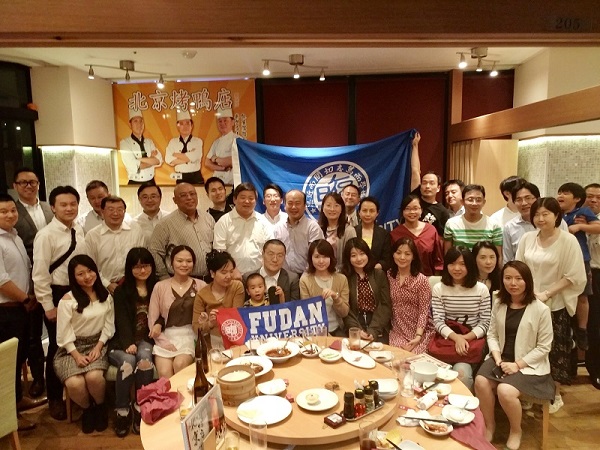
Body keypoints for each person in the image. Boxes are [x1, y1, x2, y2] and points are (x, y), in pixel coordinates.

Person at [515, 197, 586, 413]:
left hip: (554, 304)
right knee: (527, 348)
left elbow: (573, 275)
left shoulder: (568, 241)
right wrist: (526, 293)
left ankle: (554, 394)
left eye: (546, 214)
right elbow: (519, 268)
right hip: (528, 302)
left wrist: (546, 294)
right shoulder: (527, 238)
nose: (540, 218)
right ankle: (528, 392)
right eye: (537, 214)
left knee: (554, 351)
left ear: (557, 216)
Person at [475, 261, 555, 450]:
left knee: (505, 391)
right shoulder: (499, 302)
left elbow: (544, 347)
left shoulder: (541, 309)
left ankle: (516, 430)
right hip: (501, 358)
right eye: (508, 278)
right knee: (480, 381)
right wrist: (497, 357)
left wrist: (517, 364)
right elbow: (492, 334)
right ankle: (490, 425)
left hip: (529, 364)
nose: (513, 283)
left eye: (519, 278)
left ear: (527, 281)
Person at [32, 185, 86, 420]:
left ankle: (79, 393)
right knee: (57, 346)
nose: (69, 208)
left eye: (73, 204)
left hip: (79, 292)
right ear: (53, 207)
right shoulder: (46, 235)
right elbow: (40, 274)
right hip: (57, 294)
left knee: (78, 341)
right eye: (63, 204)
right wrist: (48, 306)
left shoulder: (79, 229)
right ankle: (55, 398)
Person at [54, 255, 115, 434]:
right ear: (73, 277)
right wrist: (76, 355)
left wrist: (99, 346)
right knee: (74, 383)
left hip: (98, 343)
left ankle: (100, 406)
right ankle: (88, 409)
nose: (87, 276)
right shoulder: (67, 300)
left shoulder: (106, 296)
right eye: (80, 274)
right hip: (71, 347)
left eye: (90, 271)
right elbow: (63, 333)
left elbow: (109, 325)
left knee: (94, 377)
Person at [12, 167, 53, 398]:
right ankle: (38, 379)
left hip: (54, 279)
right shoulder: (12, 211)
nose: (29, 186)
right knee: (33, 335)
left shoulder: (49, 208)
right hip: (27, 283)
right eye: (23, 182)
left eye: (33, 182)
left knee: (54, 334)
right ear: (15, 186)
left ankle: (53, 376)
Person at [108, 247, 158, 437]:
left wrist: (159, 325)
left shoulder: (157, 287)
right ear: (129, 269)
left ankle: (140, 406)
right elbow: (121, 319)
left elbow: (163, 313)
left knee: (144, 359)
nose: (142, 270)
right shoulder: (122, 291)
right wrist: (128, 343)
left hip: (146, 339)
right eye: (136, 267)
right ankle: (122, 410)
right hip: (121, 341)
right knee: (128, 362)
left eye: (145, 265)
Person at [0, 193, 38, 431]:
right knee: (6, 363)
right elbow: (1, 280)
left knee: (17, 358)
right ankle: (9, 415)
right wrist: (25, 298)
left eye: (12, 210)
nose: (10, 215)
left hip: (19, 309)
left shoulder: (14, 236)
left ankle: (16, 400)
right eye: (3, 211)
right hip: (5, 310)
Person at [431, 246, 491, 390]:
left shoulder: (481, 289)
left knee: (462, 375)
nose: (457, 268)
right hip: (445, 342)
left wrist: (465, 338)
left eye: (462, 264)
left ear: (470, 265)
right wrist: (457, 338)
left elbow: (485, 322)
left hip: (469, 344)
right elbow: (438, 321)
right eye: (452, 263)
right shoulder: (439, 288)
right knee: (435, 377)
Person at [148, 245, 206, 378]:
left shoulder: (201, 286)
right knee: (164, 372)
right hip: (165, 336)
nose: (184, 265)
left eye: (189, 261)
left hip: (190, 335)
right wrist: (164, 342)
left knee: (180, 364)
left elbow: (207, 313)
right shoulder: (160, 287)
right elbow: (152, 320)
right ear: (171, 262)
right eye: (179, 261)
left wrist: (205, 318)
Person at [557, 182, 600, 351]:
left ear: (577, 199)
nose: (560, 195)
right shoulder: (556, 213)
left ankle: (582, 330)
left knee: (583, 296)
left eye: (565, 193)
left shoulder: (583, 212)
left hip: (582, 260)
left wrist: (580, 226)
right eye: (560, 192)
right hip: (561, 260)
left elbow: (598, 227)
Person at [149, 182, 214, 280]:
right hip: (179, 280)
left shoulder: (208, 218)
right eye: (183, 195)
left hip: (209, 279)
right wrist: (164, 276)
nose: (189, 198)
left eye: (192, 194)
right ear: (175, 200)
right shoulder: (165, 224)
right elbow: (155, 252)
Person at [84, 196, 145, 294]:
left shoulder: (135, 230)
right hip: (103, 288)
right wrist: (107, 284)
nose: (115, 213)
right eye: (111, 209)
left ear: (124, 212)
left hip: (133, 285)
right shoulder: (92, 236)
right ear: (102, 212)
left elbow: (141, 259)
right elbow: (89, 266)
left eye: (120, 209)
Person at [213, 182, 274, 277]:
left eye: (251, 198)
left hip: (259, 276)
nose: (247, 201)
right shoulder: (224, 221)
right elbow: (219, 251)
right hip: (232, 276)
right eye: (243, 197)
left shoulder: (263, 222)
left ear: (255, 201)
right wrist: (233, 271)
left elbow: (271, 249)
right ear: (234, 199)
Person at [386, 237, 434, 354]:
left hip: (420, 332)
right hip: (397, 331)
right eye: (398, 253)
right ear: (393, 254)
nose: (402, 257)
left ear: (413, 257)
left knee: (414, 360)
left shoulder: (421, 280)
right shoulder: (389, 275)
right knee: (397, 358)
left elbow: (424, 311)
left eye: (407, 254)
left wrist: (418, 337)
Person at [341, 238, 391, 343]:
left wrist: (373, 331)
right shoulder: (344, 277)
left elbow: (385, 305)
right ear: (348, 258)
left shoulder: (379, 275)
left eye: (362, 254)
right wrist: (356, 330)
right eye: (353, 255)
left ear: (367, 254)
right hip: (355, 323)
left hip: (377, 323)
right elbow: (345, 309)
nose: (359, 259)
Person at [193, 251, 245, 349]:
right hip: (212, 340)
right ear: (212, 273)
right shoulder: (202, 295)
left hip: (234, 336)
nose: (229, 276)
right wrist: (209, 324)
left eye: (231, 271)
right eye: (224, 272)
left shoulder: (237, 286)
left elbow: (236, 315)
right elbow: (196, 327)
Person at [299, 239, 350, 337]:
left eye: (325, 257)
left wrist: (336, 297)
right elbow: (307, 313)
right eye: (317, 257)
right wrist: (322, 333)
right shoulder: (305, 280)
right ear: (311, 258)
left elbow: (344, 313)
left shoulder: (341, 279)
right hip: (314, 331)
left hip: (337, 329)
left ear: (331, 258)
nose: (321, 261)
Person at [443, 184, 503, 260]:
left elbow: (498, 256)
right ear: (462, 202)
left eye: (478, 200)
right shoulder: (451, 224)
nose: (474, 203)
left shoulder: (494, 225)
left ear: (484, 202)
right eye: (470, 199)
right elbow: (447, 254)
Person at [273, 189, 324, 277]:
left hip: (309, 276)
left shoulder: (313, 227)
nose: (294, 207)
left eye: (297, 203)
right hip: (284, 276)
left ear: (304, 206)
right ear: (284, 206)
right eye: (290, 203)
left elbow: (318, 255)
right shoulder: (278, 228)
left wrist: (306, 277)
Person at [391, 194, 443, 276]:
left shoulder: (431, 230)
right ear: (402, 212)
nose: (412, 212)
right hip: (403, 279)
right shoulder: (395, 234)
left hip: (428, 278)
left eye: (415, 208)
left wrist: (436, 279)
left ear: (421, 210)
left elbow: (438, 260)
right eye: (407, 209)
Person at [584, 183, 600, 389]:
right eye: (590, 196)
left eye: (598, 197)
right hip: (583, 274)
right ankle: (592, 368)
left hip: (598, 272)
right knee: (590, 325)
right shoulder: (575, 218)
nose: (594, 200)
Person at [119, 109, 163, 184]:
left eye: (141, 121)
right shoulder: (125, 143)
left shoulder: (149, 142)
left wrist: (138, 159)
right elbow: (133, 166)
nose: (139, 124)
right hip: (135, 183)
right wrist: (151, 159)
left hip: (151, 182)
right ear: (130, 124)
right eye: (135, 121)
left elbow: (159, 160)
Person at [318, 191, 356, 271]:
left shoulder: (349, 231)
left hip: (342, 273)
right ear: (323, 208)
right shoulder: (317, 229)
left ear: (342, 209)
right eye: (328, 205)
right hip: (320, 272)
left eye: (336, 205)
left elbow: (352, 256)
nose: (332, 209)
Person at [165, 110, 204, 185]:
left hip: (195, 177)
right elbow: (168, 159)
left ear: (192, 126)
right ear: (178, 126)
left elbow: (195, 156)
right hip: (180, 177)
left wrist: (176, 155)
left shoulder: (198, 141)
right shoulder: (173, 142)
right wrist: (189, 158)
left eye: (187, 123)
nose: (185, 126)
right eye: (181, 124)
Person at [355, 196, 393, 272]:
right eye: (364, 210)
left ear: (377, 213)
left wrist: (376, 268)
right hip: (355, 273)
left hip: (376, 274)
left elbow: (387, 259)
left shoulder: (384, 234)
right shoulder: (352, 231)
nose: (368, 214)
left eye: (372, 211)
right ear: (359, 212)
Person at [204, 108, 238, 185]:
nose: (222, 123)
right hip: (217, 181)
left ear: (232, 122)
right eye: (220, 121)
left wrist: (215, 159)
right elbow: (207, 162)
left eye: (225, 120)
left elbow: (233, 160)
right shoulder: (216, 142)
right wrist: (222, 168)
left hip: (231, 181)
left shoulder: (238, 140)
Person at [411, 171, 449, 237]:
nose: (427, 186)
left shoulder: (442, 211)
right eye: (424, 183)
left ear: (438, 188)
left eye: (432, 183)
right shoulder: (412, 204)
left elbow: (442, 237)